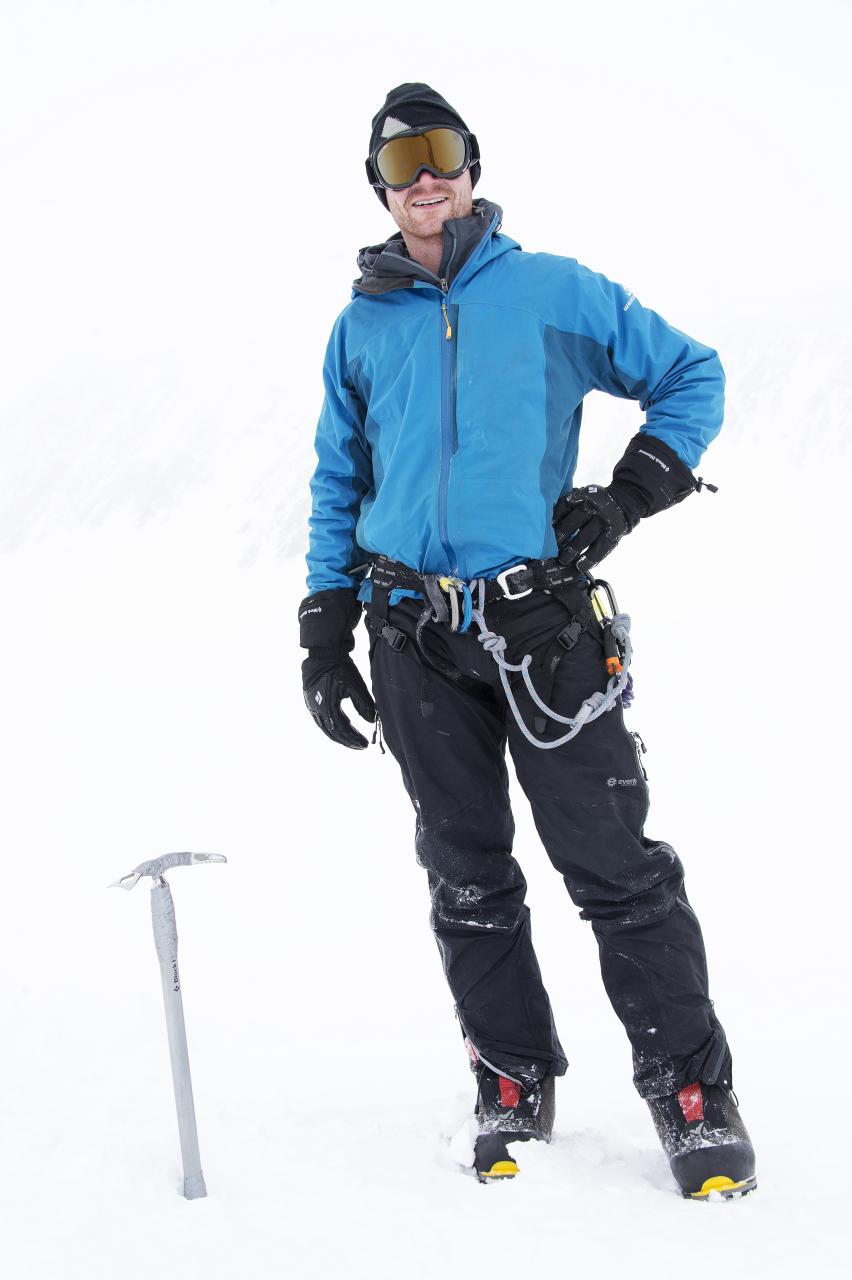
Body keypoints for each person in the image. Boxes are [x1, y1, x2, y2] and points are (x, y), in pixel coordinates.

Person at [298, 82, 756, 1198]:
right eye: (401, 160)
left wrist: (628, 496)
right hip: (413, 638)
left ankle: (692, 1095)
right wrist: (325, 622)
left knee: (617, 870)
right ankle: (509, 1077)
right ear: (380, 185)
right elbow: (338, 482)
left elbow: (692, 372)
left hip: (542, 630)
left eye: (441, 151)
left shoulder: (551, 291)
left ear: (473, 164)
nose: (425, 176)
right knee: (465, 874)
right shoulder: (361, 326)